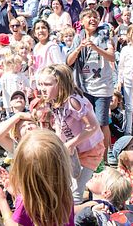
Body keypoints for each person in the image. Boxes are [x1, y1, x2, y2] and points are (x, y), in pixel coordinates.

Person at [0, 129, 76, 226]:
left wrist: (1, 201)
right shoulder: (65, 194)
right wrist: (17, 193)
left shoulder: (26, 204)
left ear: (22, 173)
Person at [38, 64, 100, 204]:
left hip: (90, 149)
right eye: (41, 84)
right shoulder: (54, 101)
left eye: (47, 84)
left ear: (61, 84)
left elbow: (93, 126)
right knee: (66, 188)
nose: (42, 88)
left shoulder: (73, 101)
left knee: (75, 194)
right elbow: (61, 126)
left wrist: (71, 143)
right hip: (74, 150)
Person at [67, 8, 116, 160]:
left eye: (95, 17)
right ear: (82, 22)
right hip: (83, 87)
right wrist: (79, 48)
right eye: (89, 17)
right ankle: (89, 154)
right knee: (86, 122)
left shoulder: (104, 36)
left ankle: (105, 156)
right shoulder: (78, 37)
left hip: (102, 87)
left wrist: (95, 47)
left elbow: (112, 57)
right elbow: (68, 62)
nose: (93, 19)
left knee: (102, 122)